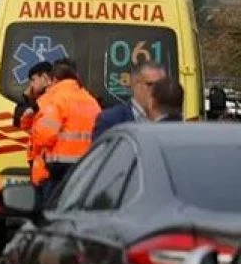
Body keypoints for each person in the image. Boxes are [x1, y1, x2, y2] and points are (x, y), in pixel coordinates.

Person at [29, 59, 101, 204]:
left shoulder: (56, 100)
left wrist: (35, 130)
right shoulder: (90, 100)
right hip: (86, 168)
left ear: (54, 79)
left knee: (52, 217)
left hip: (58, 171)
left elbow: (45, 135)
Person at [92, 61, 166, 139]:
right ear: (134, 84)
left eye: (162, 85)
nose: (158, 90)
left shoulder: (171, 120)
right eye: (150, 85)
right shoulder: (111, 120)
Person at [12, 62, 54, 129]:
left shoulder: (55, 100)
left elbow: (55, 127)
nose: (31, 85)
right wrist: (26, 99)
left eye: (33, 80)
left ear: (44, 78)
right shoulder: (43, 100)